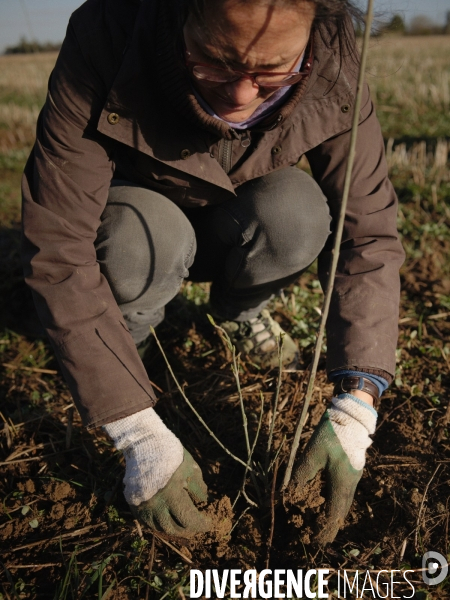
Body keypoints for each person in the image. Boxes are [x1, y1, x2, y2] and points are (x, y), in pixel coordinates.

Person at [21, 0, 404, 544]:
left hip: (237, 220)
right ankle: (126, 342)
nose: (242, 93)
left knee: (298, 212)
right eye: (215, 62)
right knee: (135, 237)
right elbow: (60, 245)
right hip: (143, 222)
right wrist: (133, 430)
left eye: (272, 72)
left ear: (317, 30)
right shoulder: (109, 32)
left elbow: (365, 233)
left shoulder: (339, 57)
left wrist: (355, 409)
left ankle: (237, 314)